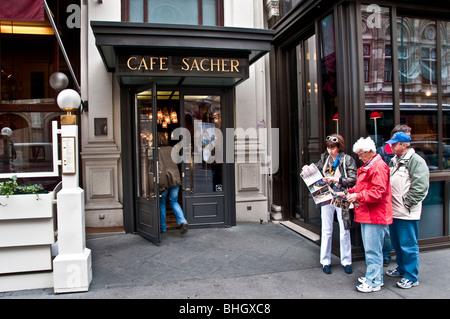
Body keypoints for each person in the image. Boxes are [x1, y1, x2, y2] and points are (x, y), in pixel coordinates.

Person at [303, 134, 357, 275]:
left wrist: (335, 180)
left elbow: (353, 179)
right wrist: (308, 169)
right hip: (326, 195)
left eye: (333, 148)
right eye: (328, 147)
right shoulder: (324, 158)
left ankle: (346, 261)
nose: (330, 151)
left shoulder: (347, 159)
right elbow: (316, 170)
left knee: (344, 230)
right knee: (326, 229)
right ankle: (325, 261)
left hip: (341, 196)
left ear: (339, 147)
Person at [345, 137, 392, 293]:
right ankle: (373, 277)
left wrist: (357, 196)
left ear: (371, 152)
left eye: (361, 154)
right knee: (372, 249)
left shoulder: (377, 167)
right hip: (370, 213)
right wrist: (349, 193)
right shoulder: (372, 164)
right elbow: (363, 187)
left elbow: (378, 193)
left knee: (373, 250)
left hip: (374, 215)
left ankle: (374, 281)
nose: (359, 158)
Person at [385, 131, 429, 289]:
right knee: (397, 244)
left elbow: (421, 186)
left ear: (404, 145)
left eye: (394, 144)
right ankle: (402, 268)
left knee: (408, 245)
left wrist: (407, 203)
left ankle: (411, 276)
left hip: (406, 213)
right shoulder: (394, 160)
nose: (391, 146)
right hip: (394, 211)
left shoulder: (416, 161)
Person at [377, 125, 412, 267]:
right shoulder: (385, 153)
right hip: (388, 199)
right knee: (388, 231)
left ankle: (406, 269)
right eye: (406, 137)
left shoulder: (412, 157)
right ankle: (388, 256)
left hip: (402, 203)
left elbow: (419, 184)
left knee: (405, 238)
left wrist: (408, 202)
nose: (408, 141)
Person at [158, 133, 189, 234]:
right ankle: (183, 221)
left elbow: (161, 169)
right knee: (174, 201)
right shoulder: (172, 149)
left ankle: (163, 228)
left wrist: (161, 185)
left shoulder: (158, 151)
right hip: (176, 178)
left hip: (166, 180)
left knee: (162, 204)